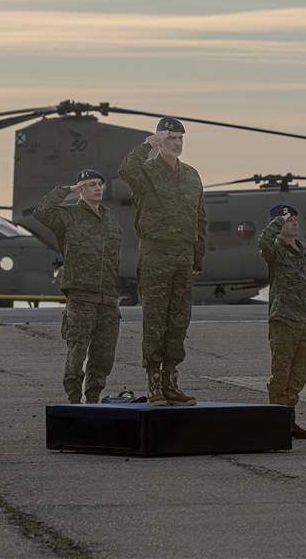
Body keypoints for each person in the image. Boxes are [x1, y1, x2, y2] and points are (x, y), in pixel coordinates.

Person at [118, 117, 206, 406]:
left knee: (179, 320)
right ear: (160, 140)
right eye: (170, 138)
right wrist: (147, 145)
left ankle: (171, 383)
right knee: (155, 320)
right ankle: (154, 383)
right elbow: (125, 170)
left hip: (183, 256)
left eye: (180, 138)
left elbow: (200, 217)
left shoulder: (192, 175)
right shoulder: (146, 171)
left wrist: (198, 254)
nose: (177, 143)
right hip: (156, 253)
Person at [34, 170, 123, 404]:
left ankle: (94, 399)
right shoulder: (68, 215)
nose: (98, 188)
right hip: (82, 298)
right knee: (77, 355)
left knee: (103, 357)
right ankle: (74, 400)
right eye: (91, 185)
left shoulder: (109, 218)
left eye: (100, 184)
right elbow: (41, 212)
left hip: (108, 299)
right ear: (81, 190)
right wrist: (68, 190)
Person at [258, 204, 306, 439]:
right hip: (283, 320)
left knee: (298, 376)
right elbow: (263, 242)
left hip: (303, 323)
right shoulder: (275, 250)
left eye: (294, 219)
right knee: (280, 374)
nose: (294, 222)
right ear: (278, 224)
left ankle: (289, 420)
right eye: (289, 220)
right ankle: (275, 421)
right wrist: (277, 221)